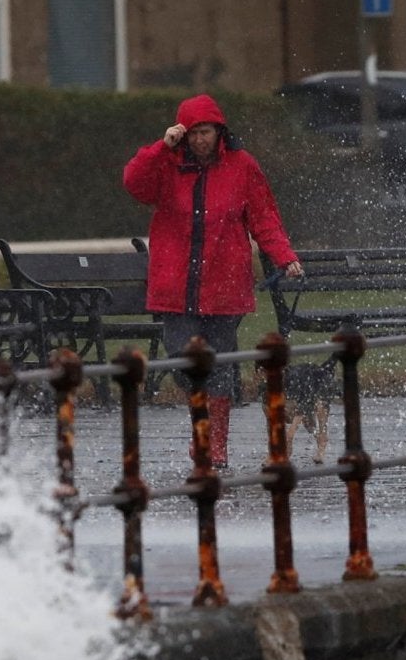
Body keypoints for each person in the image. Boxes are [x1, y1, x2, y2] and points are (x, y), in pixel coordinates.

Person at [123, 95, 302, 469]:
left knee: (219, 364)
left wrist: (285, 257)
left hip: (225, 286)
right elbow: (134, 183)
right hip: (175, 286)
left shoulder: (242, 166)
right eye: (192, 133)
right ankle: (202, 427)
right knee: (181, 357)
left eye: (204, 132)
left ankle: (213, 443)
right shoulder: (167, 165)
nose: (199, 140)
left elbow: (264, 217)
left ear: (218, 131)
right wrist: (161, 147)